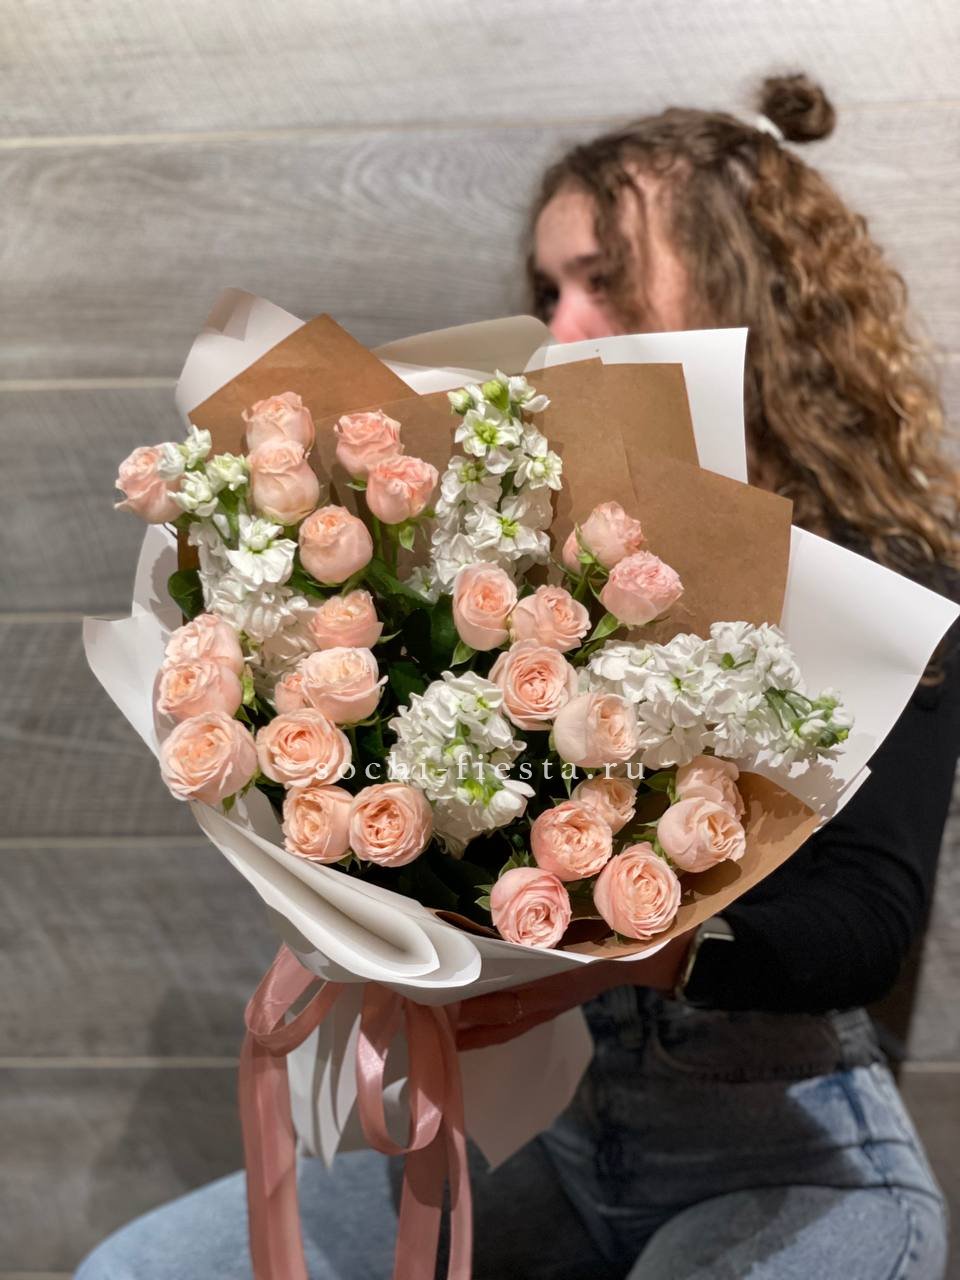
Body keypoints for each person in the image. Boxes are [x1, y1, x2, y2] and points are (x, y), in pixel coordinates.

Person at [77, 73, 958, 1279]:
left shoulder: (877, 571)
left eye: (606, 276)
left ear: (747, 283)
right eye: (549, 289)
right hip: (549, 1144)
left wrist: (644, 945)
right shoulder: (521, 548)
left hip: (790, 1153)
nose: (565, 320)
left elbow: (866, 923)